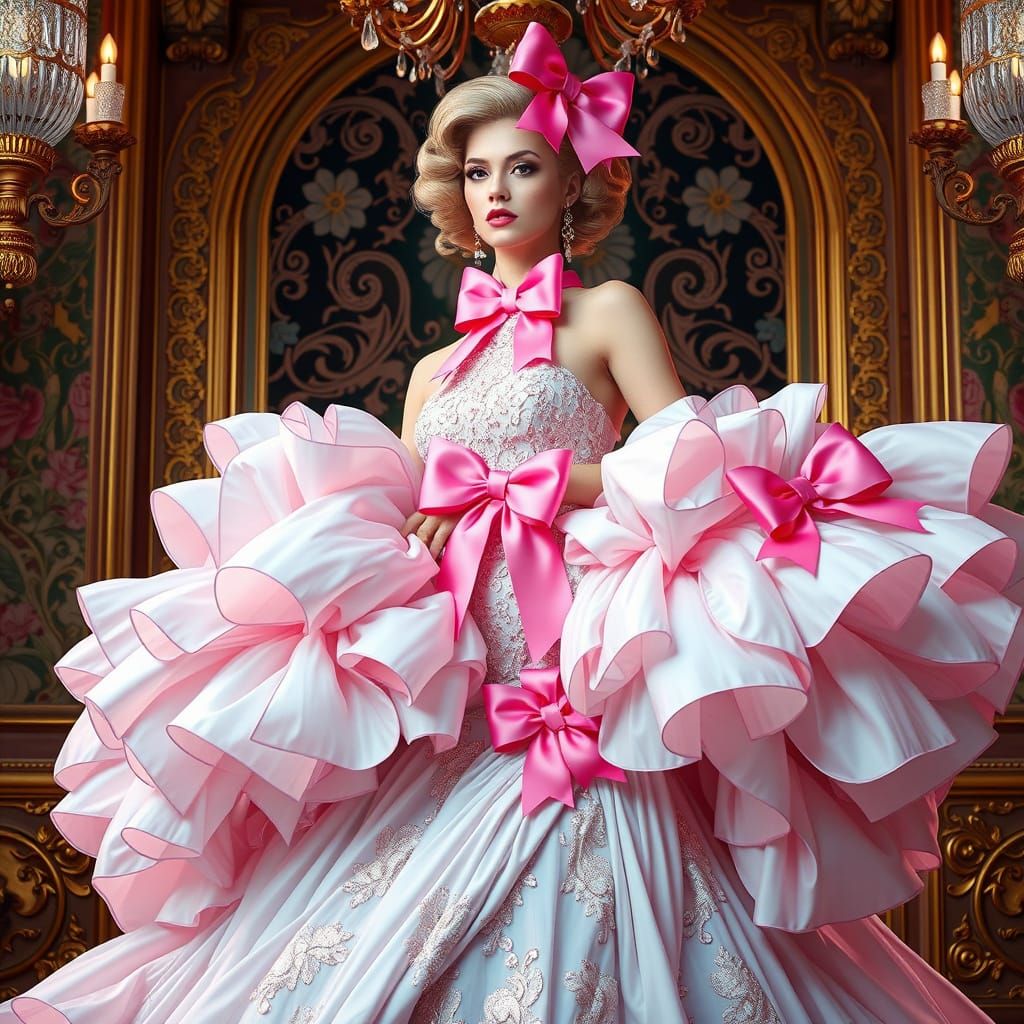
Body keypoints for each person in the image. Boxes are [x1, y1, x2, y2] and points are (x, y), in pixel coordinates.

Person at [3, 21, 1022, 1023]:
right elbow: (413, 498)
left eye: (524, 168)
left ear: (574, 181)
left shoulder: (610, 308)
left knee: (602, 846)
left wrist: (547, 483)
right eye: (479, 171)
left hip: (572, 616)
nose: (497, 192)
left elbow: (682, 464)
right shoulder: (432, 370)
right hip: (459, 638)